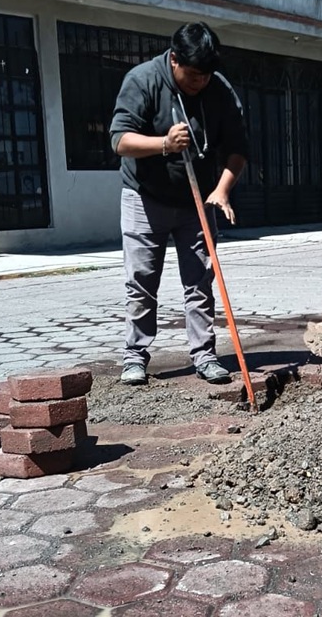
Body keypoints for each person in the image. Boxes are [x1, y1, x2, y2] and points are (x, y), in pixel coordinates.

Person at [109, 22, 249, 386]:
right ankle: (135, 355)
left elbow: (238, 150)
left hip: (196, 201)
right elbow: (120, 141)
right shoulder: (142, 81)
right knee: (141, 281)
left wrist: (222, 190)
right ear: (174, 60)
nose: (199, 82)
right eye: (192, 76)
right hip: (145, 196)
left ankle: (204, 355)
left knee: (200, 280)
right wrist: (164, 145)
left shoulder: (218, 90)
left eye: (206, 75)